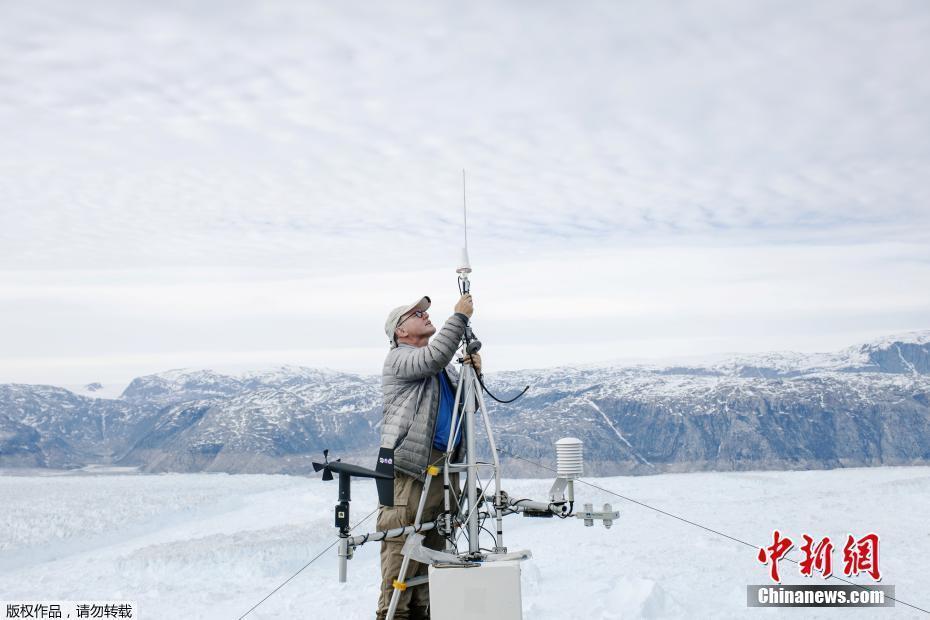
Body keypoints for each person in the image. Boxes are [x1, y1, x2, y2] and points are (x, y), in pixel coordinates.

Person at [375, 293, 481, 620]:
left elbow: (469, 406)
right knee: (402, 545)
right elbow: (432, 358)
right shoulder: (399, 358)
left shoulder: (442, 369)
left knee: (434, 546)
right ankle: (393, 615)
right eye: (415, 313)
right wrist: (459, 317)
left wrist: (475, 374)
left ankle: (423, 611)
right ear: (400, 332)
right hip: (412, 468)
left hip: (444, 465)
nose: (423, 314)